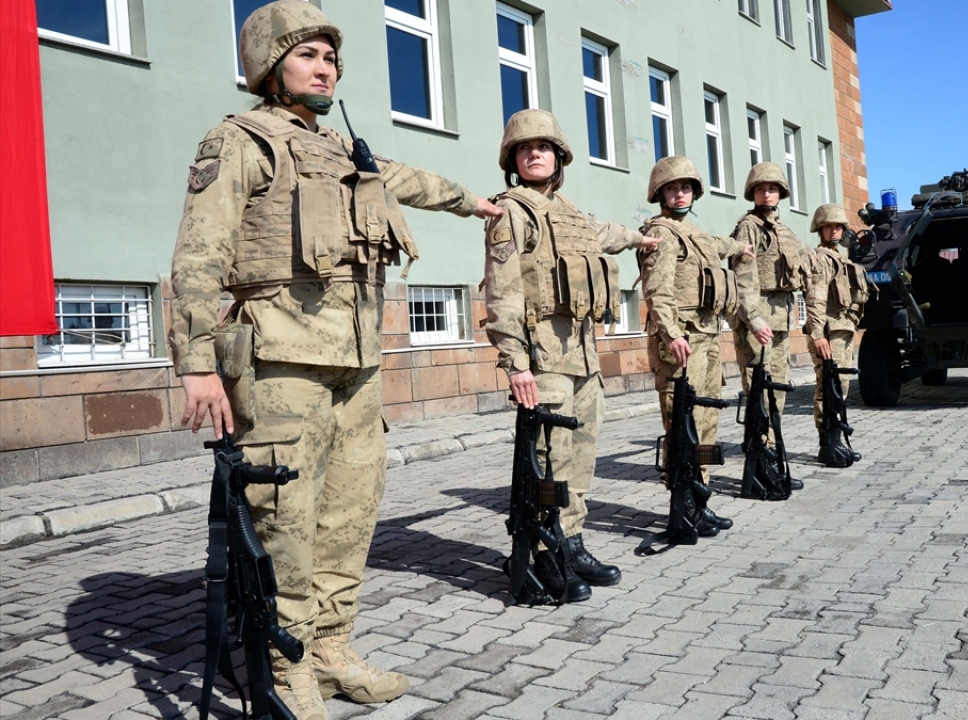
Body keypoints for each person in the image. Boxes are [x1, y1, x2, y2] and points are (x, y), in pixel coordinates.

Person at [168, 2, 502, 717]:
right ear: (269, 66)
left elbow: (408, 180)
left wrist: (474, 202)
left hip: (357, 366)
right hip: (282, 360)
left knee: (349, 517)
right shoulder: (239, 140)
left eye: (331, 59)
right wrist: (197, 362)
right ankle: (282, 668)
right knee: (285, 519)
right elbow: (200, 252)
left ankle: (331, 648)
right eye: (308, 56)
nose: (326, 68)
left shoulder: (346, 150)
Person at [483, 109, 658, 603]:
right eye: (524, 148)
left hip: (584, 360)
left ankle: (571, 541)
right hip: (544, 359)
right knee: (548, 461)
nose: (535, 153)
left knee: (581, 460)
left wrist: (643, 237)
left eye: (544, 147)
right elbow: (502, 293)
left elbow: (608, 234)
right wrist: (515, 363)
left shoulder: (571, 213)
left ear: (559, 158)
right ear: (512, 160)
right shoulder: (510, 212)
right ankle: (543, 550)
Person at [637, 156, 752, 539]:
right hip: (681, 342)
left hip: (706, 338)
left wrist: (740, 246)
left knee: (705, 424)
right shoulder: (661, 234)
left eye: (685, 187)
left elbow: (717, 246)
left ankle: (699, 502)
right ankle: (681, 506)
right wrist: (670, 333)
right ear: (660, 194)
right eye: (672, 188)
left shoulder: (694, 233)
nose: (680, 193)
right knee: (681, 425)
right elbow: (656, 290)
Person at [729, 163, 812, 490]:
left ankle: (772, 457)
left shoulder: (783, 229)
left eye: (773, 188)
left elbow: (806, 263)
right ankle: (760, 462)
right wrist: (756, 320)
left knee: (777, 394)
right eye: (761, 188)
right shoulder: (748, 228)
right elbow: (742, 282)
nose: (767, 193)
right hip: (757, 323)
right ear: (753, 193)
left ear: (781, 194)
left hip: (779, 321)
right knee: (760, 396)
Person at [804, 204, 872, 446]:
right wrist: (818, 335)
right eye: (828, 227)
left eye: (838, 227)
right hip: (828, 333)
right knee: (829, 388)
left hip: (841, 331)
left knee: (839, 386)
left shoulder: (841, 259)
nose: (834, 231)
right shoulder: (821, 260)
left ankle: (834, 439)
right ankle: (828, 442)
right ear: (820, 230)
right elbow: (815, 300)